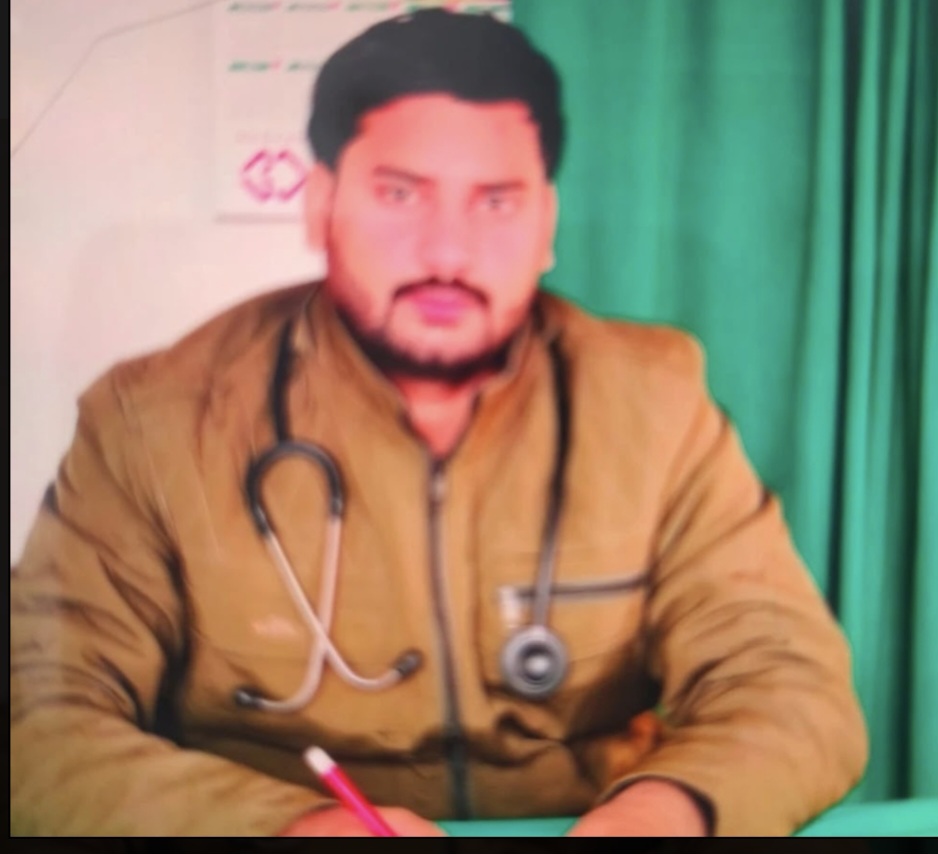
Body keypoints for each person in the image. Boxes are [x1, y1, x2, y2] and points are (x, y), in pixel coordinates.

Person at [10, 8, 868, 837]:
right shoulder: (154, 422)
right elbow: (36, 720)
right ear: (320, 205)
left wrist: (663, 815)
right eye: (400, 194)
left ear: (547, 224)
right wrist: (286, 828)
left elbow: (789, 684)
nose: (448, 253)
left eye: (495, 202)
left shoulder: (656, 404)